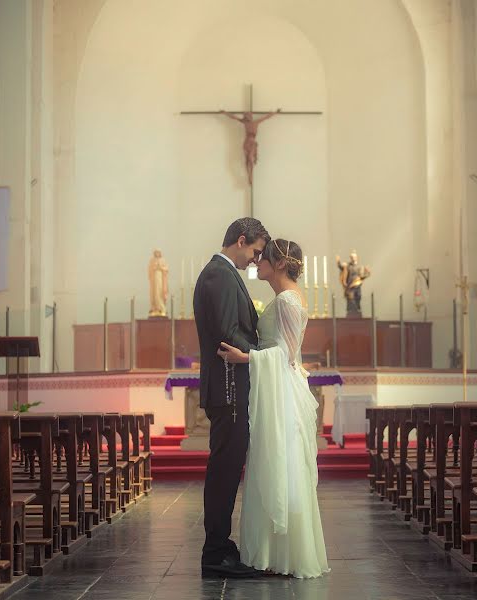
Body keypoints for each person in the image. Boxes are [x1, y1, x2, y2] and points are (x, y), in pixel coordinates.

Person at [218, 238, 330, 578]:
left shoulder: (286, 301)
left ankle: (281, 553)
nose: (256, 262)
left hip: (281, 393)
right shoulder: (285, 297)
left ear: (279, 264)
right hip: (277, 389)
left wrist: (245, 357)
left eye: (263, 258)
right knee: (274, 463)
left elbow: (286, 356)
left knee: (280, 463)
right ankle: (273, 551)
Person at [193, 217, 269, 578]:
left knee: (226, 467)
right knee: (224, 469)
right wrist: (261, 353)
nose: (256, 260)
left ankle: (220, 545)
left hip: (230, 386)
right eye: (255, 251)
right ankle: (214, 551)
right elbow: (227, 331)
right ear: (241, 240)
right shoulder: (219, 274)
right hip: (228, 387)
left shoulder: (222, 274)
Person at [220, 109, 281, 185]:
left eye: (249, 115)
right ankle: (249, 176)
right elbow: (233, 117)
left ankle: (250, 176)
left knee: (250, 159)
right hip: (247, 142)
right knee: (247, 160)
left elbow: (267, 117)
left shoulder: (256, 122)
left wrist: (275, 112)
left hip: (252, 143)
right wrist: (225, 113)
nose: (248, 116)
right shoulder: (245, 122)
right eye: (246, 115)